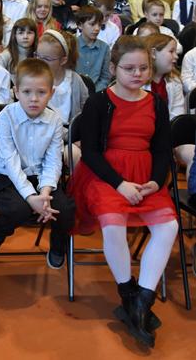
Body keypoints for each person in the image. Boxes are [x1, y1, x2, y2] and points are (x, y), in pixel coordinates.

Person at [69, 35, 178, 348]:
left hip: (145, 177)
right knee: (113, 223)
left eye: (143, 68)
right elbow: (90, 152)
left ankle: (141, 299)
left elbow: (162, 150)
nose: (137, 74)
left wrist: (156, 181)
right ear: (113, 68)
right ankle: (128, 291)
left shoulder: (156, 103)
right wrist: (120, 184)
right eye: (129, 68)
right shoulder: (99, 102)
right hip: (104, 176)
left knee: (169, 226)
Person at [0, 59, 75, 269]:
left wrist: (45, 193)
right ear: (16, 91)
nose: (34, 99)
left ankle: (58, 246)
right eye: (27, 92)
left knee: (65, 209)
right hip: (8, 176)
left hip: (40, 176)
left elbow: (53, 160)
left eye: (41, 92)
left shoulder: (54, 120)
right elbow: (10, 162)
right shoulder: (5, 117)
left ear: (51, 93)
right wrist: (31, 198)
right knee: (17, 209)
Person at [143, 34, 193, 180]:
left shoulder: (174, 81)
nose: (176, 56)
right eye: (171, 51)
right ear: (153, 53)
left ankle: (193, 191)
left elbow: (176, 116)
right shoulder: (139, 81)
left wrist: (166, 140)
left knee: (193, 153)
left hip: (169, 138)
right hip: (143, 138)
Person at [39, 30, 88, 164]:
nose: (40, 62)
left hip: (70, 136)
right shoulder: (35, 79)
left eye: (47, 59)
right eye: (38, 56)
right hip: (42, 134)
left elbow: (87, 112)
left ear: (63, 60)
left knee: (74, 154)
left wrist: (82, 139)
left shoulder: (75, 81)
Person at [76, 6, 111, 92]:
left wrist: (94, 92)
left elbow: (105, 78)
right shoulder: (72, 45)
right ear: (80, 25)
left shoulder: (105, 48)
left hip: (95, 93)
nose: (97, 28)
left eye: (99, 25)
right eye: (92, 24)